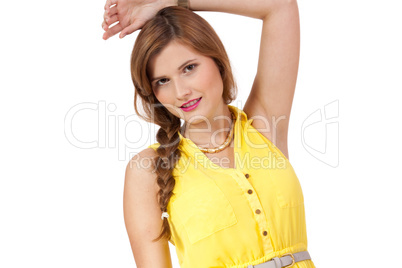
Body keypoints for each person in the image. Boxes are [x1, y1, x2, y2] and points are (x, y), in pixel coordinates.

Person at [102, 0, 316, 267]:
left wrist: (171, 3)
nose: (181, 92)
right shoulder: (147, 170)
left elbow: (280, 6)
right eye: (163, 81)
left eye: (189, 68)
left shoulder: (263, 127)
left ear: (217, 61)